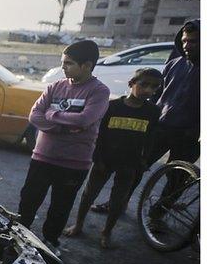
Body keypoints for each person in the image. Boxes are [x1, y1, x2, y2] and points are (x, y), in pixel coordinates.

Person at [91, 19, 200, 213]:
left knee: (176, 178)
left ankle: (157, 216)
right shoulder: (175, 64)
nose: (187, 46)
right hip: (161, 126)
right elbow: (158, 95)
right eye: (185, 41)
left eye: (193, 41)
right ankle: (118, 203)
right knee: (136, 168)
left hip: (189, 134)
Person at [18, 40, 110, 252]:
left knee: (60, 207)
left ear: (87, 65)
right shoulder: (55, 86)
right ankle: (18, 236)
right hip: (42, 157)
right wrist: (61, 126)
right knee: (28, 200)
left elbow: (85, 120)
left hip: (74, 163)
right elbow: (35, 115)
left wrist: (52, 114)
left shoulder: (98, 91)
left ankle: (50, 241)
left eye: (68, 63)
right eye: (63, 62)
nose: (63, 67)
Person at [64, 68, 162, 249]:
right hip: (105, 160)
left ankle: (106, 232)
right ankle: (78, 225)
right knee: (89, 194)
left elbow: (150, 138)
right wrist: (97, 158)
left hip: (130, 163)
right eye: (144, 84)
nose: (148, 90)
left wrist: (144, 161)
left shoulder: (153, 112)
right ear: (131, 83)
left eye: (154, 87)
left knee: (118, 200)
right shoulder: (112, 106)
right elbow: (99, 134)